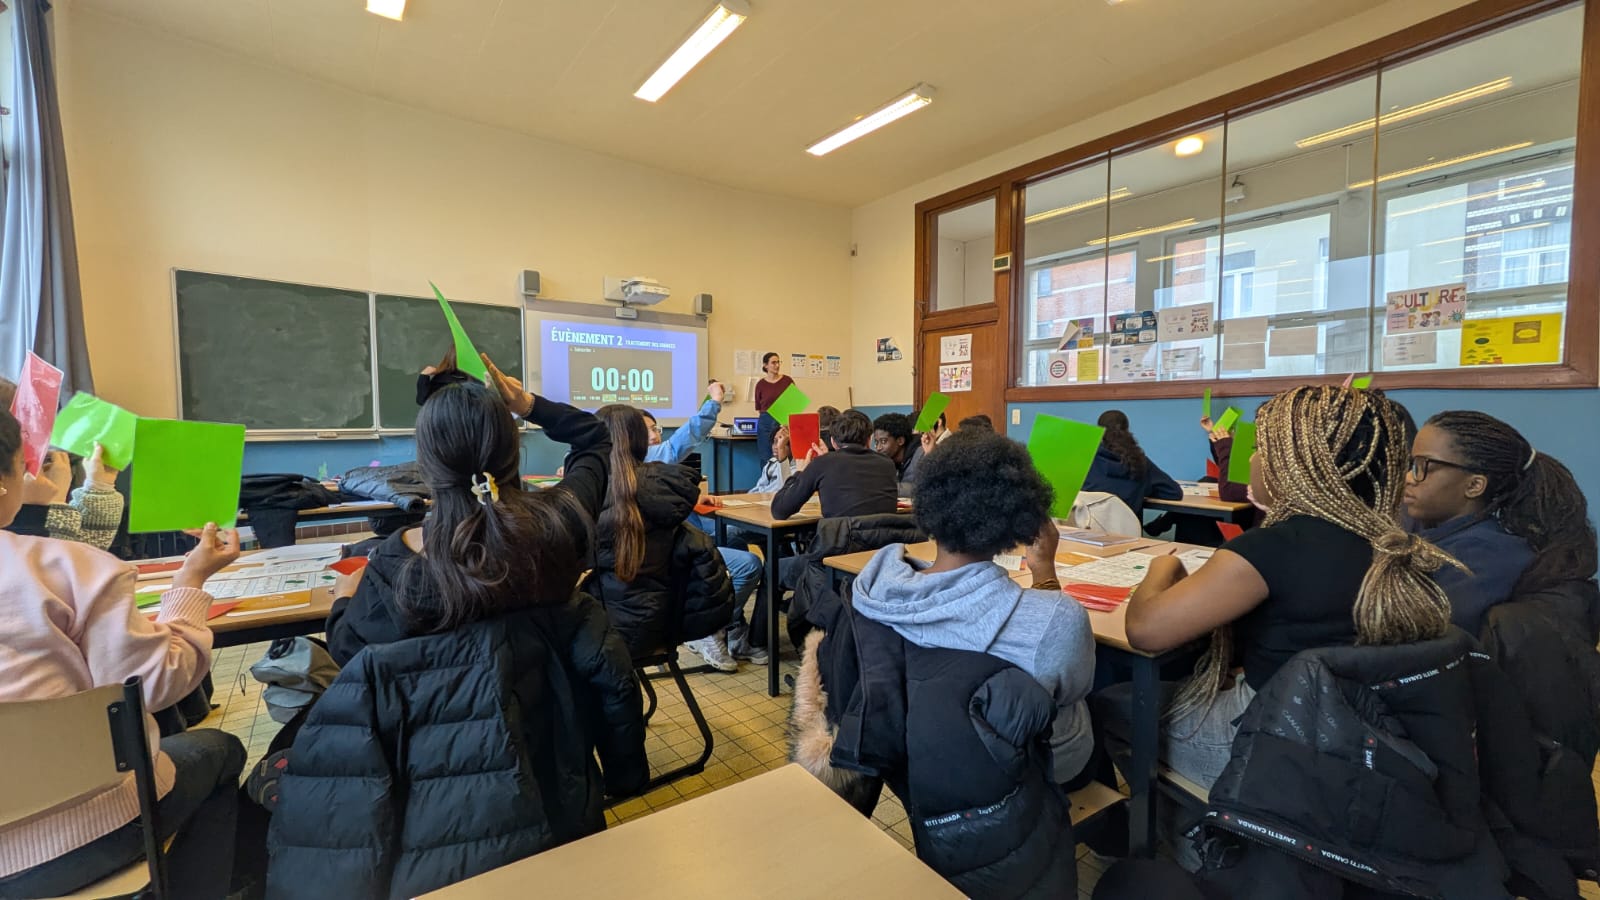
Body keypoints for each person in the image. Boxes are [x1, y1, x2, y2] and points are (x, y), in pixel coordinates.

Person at [270, 357, 647, 899]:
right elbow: (595, 438)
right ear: (513, 450)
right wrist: (528, 404)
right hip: (558, 788)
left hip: (435, 820)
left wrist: (343, 599)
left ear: (427, 463)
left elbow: (352, 658)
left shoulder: (393, 567)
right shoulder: (557, 525)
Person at [1100, 385, 1460, 791]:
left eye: (1261, 450)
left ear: (1297, 466)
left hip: (1273, 739)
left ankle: (1179, 822)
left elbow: (1145, 629)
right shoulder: (1397, 545)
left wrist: (1162, 566)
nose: (1252, 459)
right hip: (1357, 738)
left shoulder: (1273, 549)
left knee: (1110, 702)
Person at [0, 409, 247, 900]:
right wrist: (191, 581)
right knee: (220, 749)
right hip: (75, 830)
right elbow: (152, 685)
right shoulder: (65, 568)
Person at [850, 429, 1097, 788]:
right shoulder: (1058, 618)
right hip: (1023, 769)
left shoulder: (874, 589)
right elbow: (1074, 688)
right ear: (1021, 516)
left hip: (915, 758)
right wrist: (1044, 571)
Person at [1404, 411, 1596, 633]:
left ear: (1474, 486)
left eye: (1424, 467)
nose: (1409, 478)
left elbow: (1424, 635)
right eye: (1411, 465)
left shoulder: (1483, 555)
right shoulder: (1448, 539)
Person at [582, 404, 736, 672]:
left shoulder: (594, 497)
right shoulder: (665, 491)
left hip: (613, 634)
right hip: (664, 624)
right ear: (641, 442)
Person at [770, 409, 898, 521]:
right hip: (885, 540)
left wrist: (800, 472)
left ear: (833, 442)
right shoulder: (887, 463)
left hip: (842, 539)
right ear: (869, 440)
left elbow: (779, 510)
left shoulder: (822, 464)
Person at [1084, 410, 1181, 518]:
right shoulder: (1140, 462)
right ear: (1127, 430)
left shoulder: (1084, 462)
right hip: (1127, 527)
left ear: (1099, 431)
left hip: (1088, 527)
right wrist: (1144, 488)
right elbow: (1174, 493)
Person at [752, 352, 795, 462]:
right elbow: (759, 407)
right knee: (765, 455)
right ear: (766, 365)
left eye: (778, 362)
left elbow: (794, 402)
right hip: (766, 421)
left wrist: (786, 422)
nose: (777, 365)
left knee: (783, 453)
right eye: (773, 363)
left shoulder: (787, 381)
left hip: (783, 421)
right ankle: (767, 473)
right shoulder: (760, 384)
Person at [870, 412, 916, 483]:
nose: (878, 448)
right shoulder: (891, 462)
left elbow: (914, 487)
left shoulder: (919, 458)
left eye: (883, 441)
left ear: (900, 441)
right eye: (876, 442)